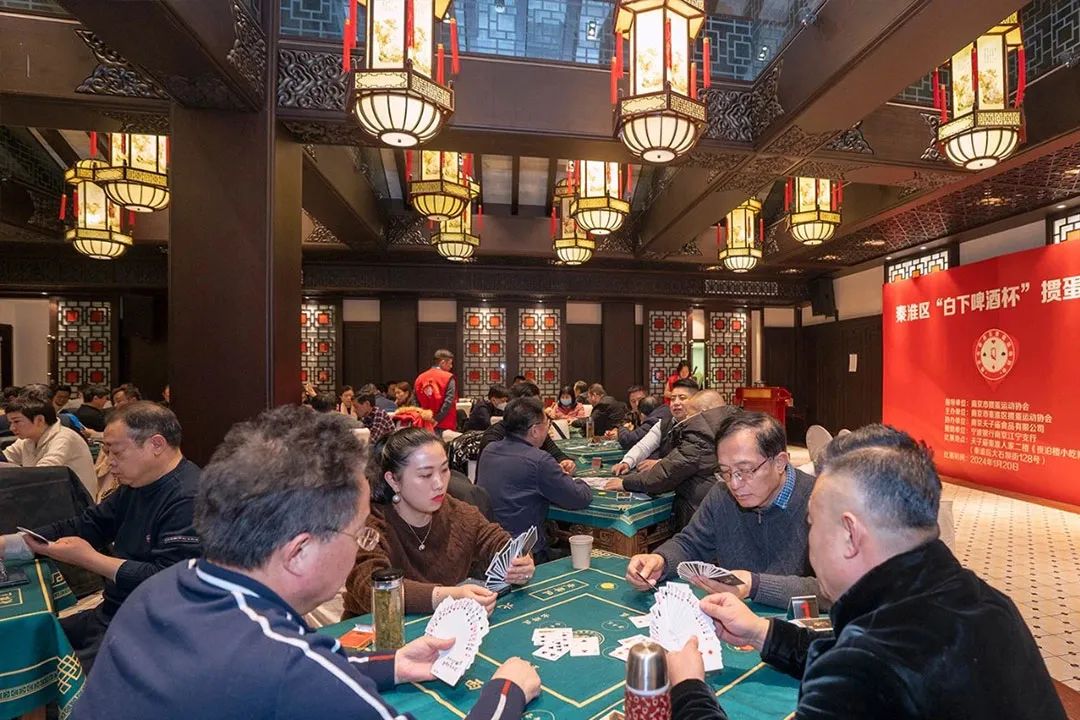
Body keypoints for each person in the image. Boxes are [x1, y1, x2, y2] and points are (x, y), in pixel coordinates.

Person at [74, 408, 540, 720]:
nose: (361, 544)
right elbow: (297, 668)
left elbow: (302, 654)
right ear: (299, 551)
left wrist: (393, 663)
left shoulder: (166, 586)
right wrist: (506, 692)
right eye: (357, 532)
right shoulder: (288, 670)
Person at [667, 424, 1066, 720]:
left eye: (812, 524)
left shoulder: (863, 670)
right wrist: (762, 632)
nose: (809, 542)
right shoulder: (989, 603)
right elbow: (860, 648)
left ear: (850, 534)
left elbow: (864, 665)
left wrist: (688, 689)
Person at [2, 401, 200, 672]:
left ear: (156, 444)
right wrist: (11, 544)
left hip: (152, 627)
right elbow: (88, 524)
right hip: (113, 611)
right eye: (106, 451)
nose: (109, 462)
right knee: (21, 643)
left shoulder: (188, 498)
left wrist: (89, 559)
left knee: (42, 672)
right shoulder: (136, 485)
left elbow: (170, 579)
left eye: (116, 452)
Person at [624, 411, 818, 608]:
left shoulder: (822, 502)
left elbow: (832, 592)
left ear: (779, 463)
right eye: (725, 472)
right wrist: (660, 561)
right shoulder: (722, 494)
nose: (734, 484)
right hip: (731, 615)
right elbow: (691, 544)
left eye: (745, 471)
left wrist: (755, 585)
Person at [344, 428, 535, 617]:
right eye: (426, 475)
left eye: (444, 470)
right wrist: (449, 596)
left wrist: (520, 562)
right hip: (374, 629)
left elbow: (498, 541)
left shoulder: (458, 512)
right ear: (393, 480)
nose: (439, 483)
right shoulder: (369, 523)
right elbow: (373, 589)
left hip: (445, 627)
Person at [478, 398, 592, 562]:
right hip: (527, 554)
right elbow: (578, 498)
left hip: (490, 547)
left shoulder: (489, 450)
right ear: (535, 431)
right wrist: (580, 481)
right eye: (547, 424)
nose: (548, 429)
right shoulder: (539, 460)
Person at [605, 391, 733, 531]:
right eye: (672, 398)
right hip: (725, 511)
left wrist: (625, 483)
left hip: (701, 517)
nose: (687, 418)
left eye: (690, 414)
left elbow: (664, 475)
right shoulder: (735, 426)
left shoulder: (700, 437)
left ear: (703, 412)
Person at [2, 386, 98, 497]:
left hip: (75, 502)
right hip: (46, 497)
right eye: (11, 423)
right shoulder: (28, 439)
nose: (12, 428)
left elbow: (42, 474)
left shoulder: (64, 438)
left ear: (39, 420)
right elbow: (4, 457)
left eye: (16, 422)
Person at [478, 381, 577, 474]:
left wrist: (565, 462)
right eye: (534, 408)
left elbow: (557, 454)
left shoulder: (537, 430)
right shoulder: (493, 437)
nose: (541, 412)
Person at [611, 378, 699, 476]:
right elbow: (643, 446)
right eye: (673, 398)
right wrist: (626, 463)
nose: (676, 402)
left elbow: (691, 459)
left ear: (696, 401)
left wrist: (660, 464)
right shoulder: (663, 423)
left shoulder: (701, 425)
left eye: (682, 398)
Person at [414, 349, 458, 435]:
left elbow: (415, 401)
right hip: (445, 424)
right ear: (442, 362)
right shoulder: (448, 377)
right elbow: (448, 402)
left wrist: (424, 417)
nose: (451, 366)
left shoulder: (420, 378)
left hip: (424, 424)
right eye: (450, 363)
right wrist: (436, 420)